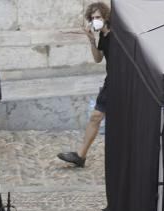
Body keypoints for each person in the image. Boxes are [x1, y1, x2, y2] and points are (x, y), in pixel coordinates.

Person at [58, 3, 111, 168]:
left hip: (123, 83)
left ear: (105, 18)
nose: (95, 20)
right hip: (110, 83)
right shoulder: (102, 37)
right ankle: (80, 156)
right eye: (93, 18)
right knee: (95, 116)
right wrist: (91, 41)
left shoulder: (118, 35)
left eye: (98, 17)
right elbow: (98, 59)